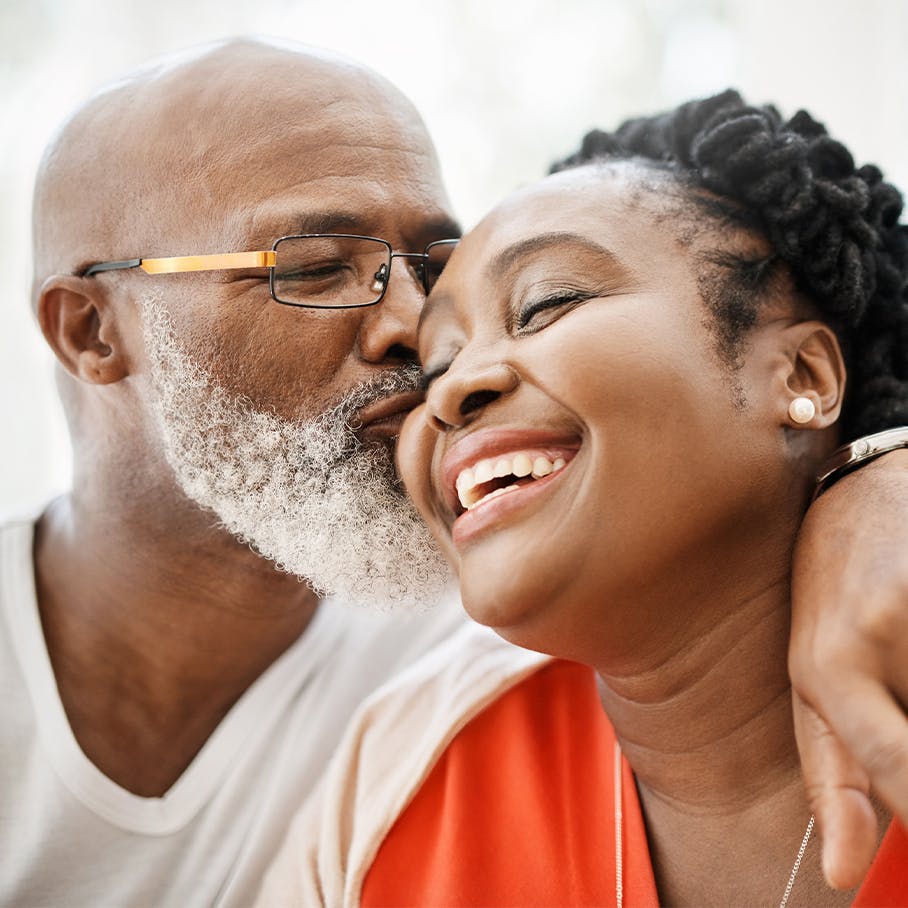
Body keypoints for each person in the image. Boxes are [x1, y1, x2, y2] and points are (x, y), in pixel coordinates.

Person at [4, 37, 907, 906]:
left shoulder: (501, 615)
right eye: (316, 268)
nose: (418, 344)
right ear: (91, 332)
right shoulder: (425, 741)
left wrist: (873, 469)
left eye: (431, 271)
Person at [261, 91, 908, 906]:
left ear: (801, 377)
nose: (456, 388)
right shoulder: (399, 768)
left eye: (544, 304)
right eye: (434, 369)